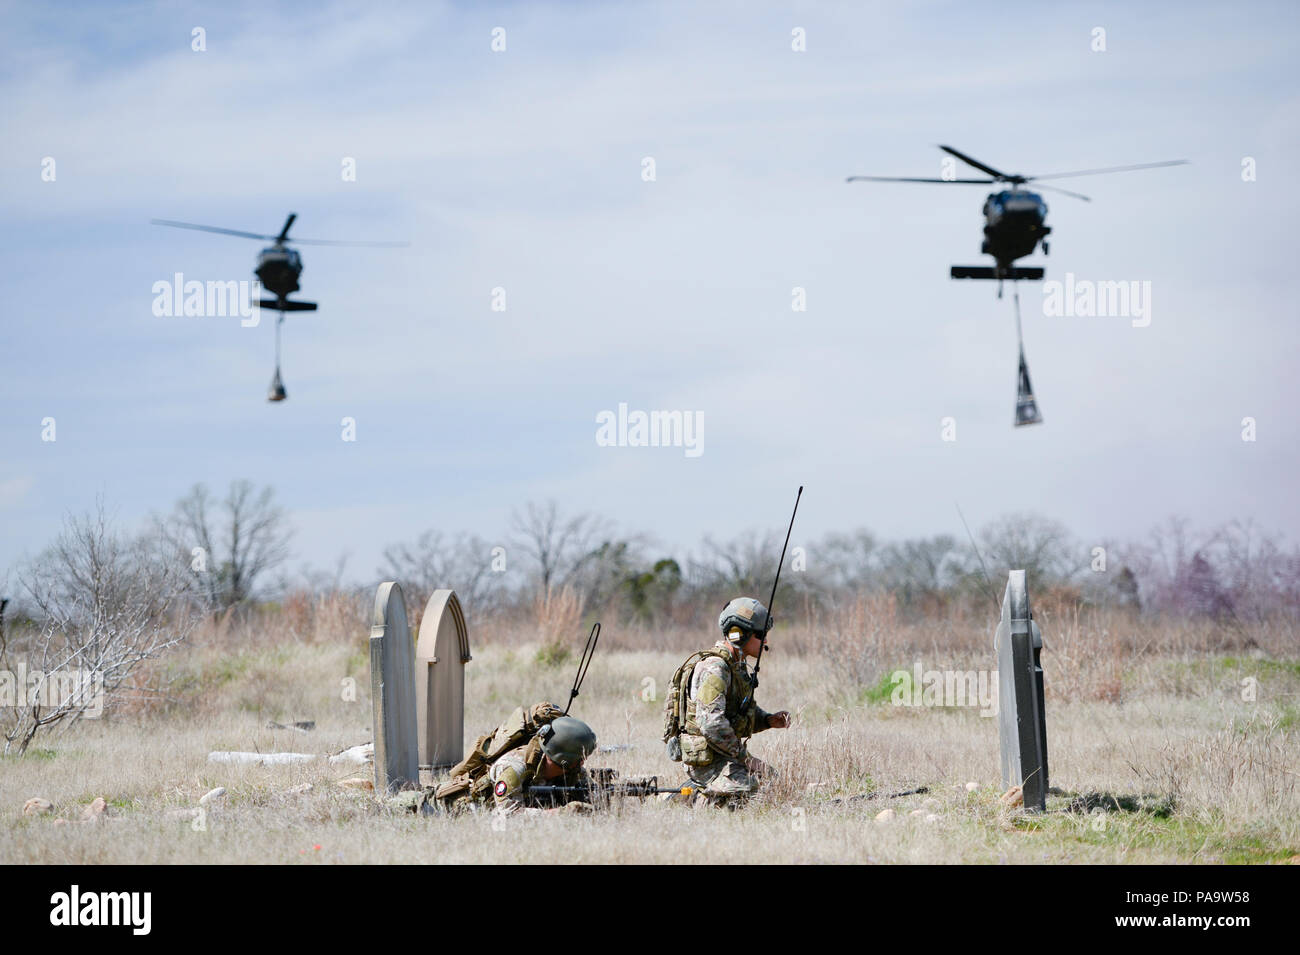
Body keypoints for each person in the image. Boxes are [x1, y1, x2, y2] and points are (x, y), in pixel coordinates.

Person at [665, 596, 790, 806]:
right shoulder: (716, 668)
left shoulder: (736, 666)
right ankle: (693, 798)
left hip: (723, 755)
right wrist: (747, 759)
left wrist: (768, 720)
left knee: (773, 783)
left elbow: (736, 713)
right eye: (761, 635)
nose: (766, 641)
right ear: (738, 634)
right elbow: (712, 724)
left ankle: (698, 792)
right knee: (752, 788)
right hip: (706, 760)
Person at [431, 703, 599, 817]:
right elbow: (508, 817)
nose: (582, 764)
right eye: (580, 759)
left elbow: (591, 794)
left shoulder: (569, 768)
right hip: (442, 808)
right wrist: (561, 813)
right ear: (563, 759)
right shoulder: (513, 767)